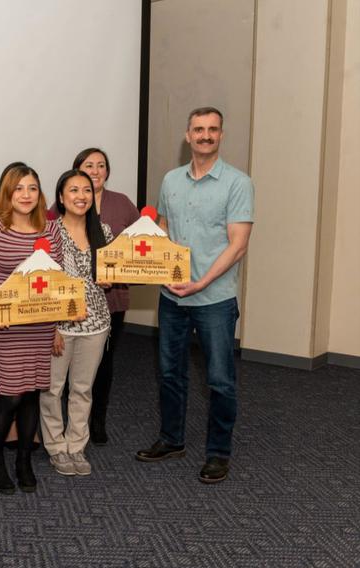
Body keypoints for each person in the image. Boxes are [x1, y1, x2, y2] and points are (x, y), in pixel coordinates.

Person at [135, 106, 254, 484]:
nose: (205, 135)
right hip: (172, 297)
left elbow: (238, 245)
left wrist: (201, 283)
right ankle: (172, 440)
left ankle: (218, 453)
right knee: (171, 374)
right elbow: (165, 228)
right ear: (187, 135)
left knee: (220, 380)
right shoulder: (171, 180)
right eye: (198, 129)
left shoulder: (238, 183)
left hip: (214, 299)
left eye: (213, 130)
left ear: (221, 135)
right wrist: (159, 269)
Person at [0, 164, 62, 494]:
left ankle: (23, 460)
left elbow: (57, 280)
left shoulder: (50, 231)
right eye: (19, 188)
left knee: (32, 396)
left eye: (32, 188)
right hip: (5, 325)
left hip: (39, 325)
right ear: (7, 193)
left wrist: (57, 326)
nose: (26, 195)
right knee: (10, 396)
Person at [40, 169, 113, 477]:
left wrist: (110, 279)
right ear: (61, 197)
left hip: (97, 323)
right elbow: (41, 284)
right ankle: (56, 447)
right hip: (60, 325)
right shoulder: (47, 233)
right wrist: (52, 326)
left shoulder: (104, 231)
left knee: (82, 389)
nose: (81, 196)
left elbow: (108, 277)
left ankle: (76, 445)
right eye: (73, 190)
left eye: (86, 190)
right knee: (53, 389)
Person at [72, 148, 139, 445]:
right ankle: (71, 421)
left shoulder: (122, 203)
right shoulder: (65, 202)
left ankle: (97, 419)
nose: (96, 170)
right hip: (73, 305)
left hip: (112, 302)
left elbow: (141, 245)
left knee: (104, 363)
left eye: (101, 165)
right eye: (89, 165)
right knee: (69, 365)